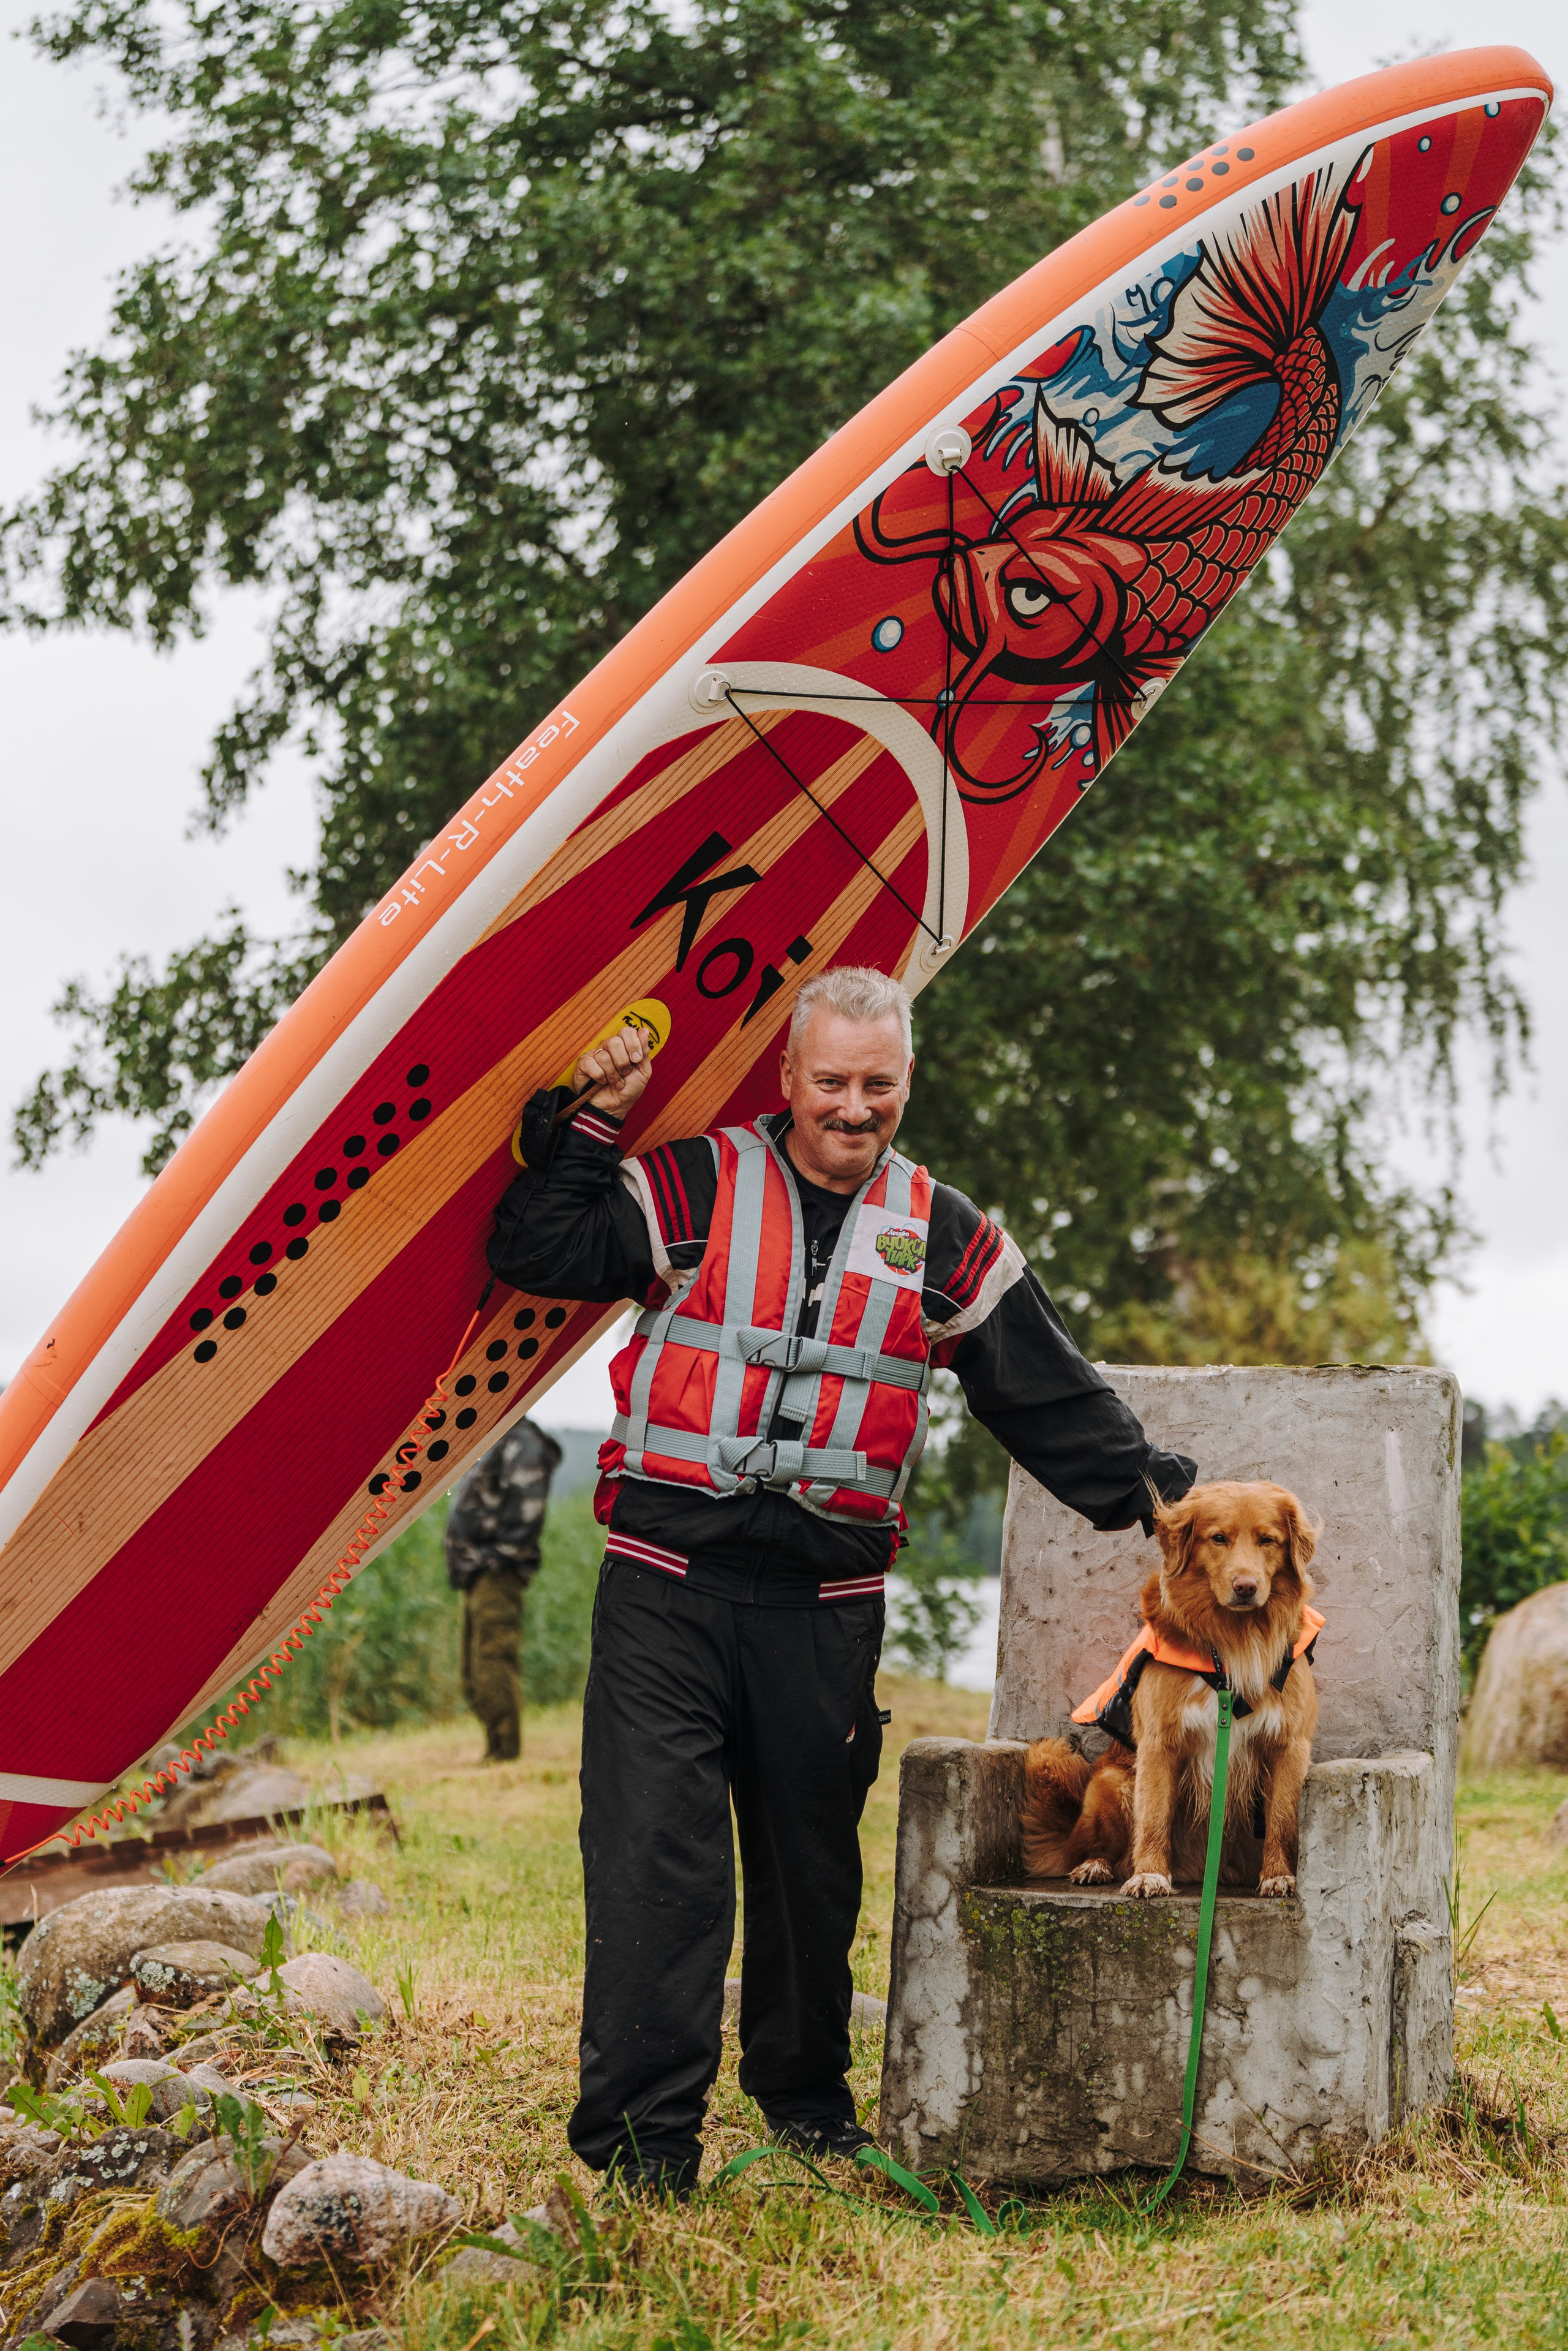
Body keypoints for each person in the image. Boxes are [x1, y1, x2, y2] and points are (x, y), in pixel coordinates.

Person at [488, 965, 1195, 2196]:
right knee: (661, 1860)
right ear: (787, 1076)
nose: (853, 1107)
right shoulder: (695, 1181)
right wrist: (595, 1121)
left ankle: (806, 2106)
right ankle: (647, 2147)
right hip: (666, 1584)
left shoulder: (948, 1231)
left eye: (876, 1084)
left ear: (904, 1079)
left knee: (809, 1866)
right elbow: (537, 1243)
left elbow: (1034, 1381)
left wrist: (1150, 1489)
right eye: (830, 1082)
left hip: (822, 1610)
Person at [443, 1417, 563, 1763]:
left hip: (496, 1574)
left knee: (492, 1662)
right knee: (475, 1670)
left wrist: (494, 1559)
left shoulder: (521, 1440)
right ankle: (496, 1748)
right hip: (480, 1574)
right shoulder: (499, 1436)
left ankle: (505, 1754)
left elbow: (529, 1509)